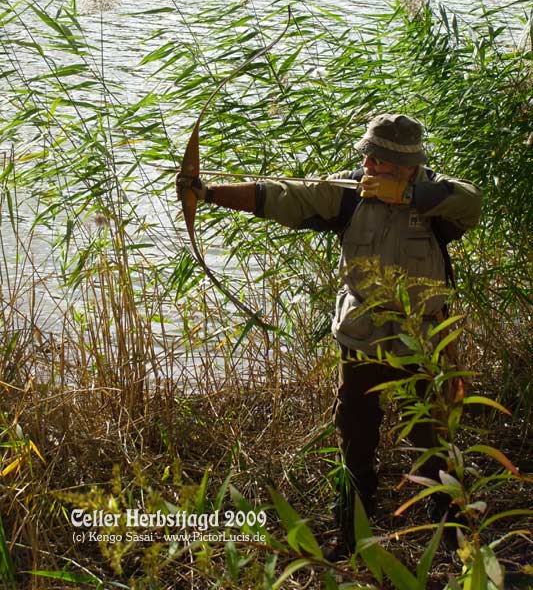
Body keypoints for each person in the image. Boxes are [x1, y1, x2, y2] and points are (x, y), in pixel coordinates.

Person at [176, 113, 482, 555]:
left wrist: (410, 195)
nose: (370, 167)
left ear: (410, 165)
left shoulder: (438, 198)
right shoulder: (349, 194)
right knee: (355, 435)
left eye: (381, 162)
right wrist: (207, 193)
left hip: (424, 339)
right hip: (362, 336)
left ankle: (454, 537)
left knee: (433, 436)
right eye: (369, 158)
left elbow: (472, 202)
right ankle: (353, 534)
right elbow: (284, 195)